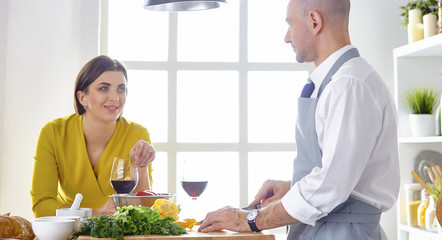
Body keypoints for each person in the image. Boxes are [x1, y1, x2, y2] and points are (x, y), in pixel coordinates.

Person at [198, 0, 400, 239]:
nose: (286, 37)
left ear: (315, 21)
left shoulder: (348, 85)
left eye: (290, 25)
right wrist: (293, 186)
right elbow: (338, 172)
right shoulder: (339, 81)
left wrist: (249, 219)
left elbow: (330, 185)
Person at [30, 55, 156, 218]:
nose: (115, 97)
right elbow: (42, 205)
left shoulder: (137, 134)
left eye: (121, 89)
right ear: (82, 97)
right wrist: (96, 214)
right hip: (69, 232)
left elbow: (145, 208)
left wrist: (142, 165)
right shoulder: (53, 133)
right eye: (104, 88)